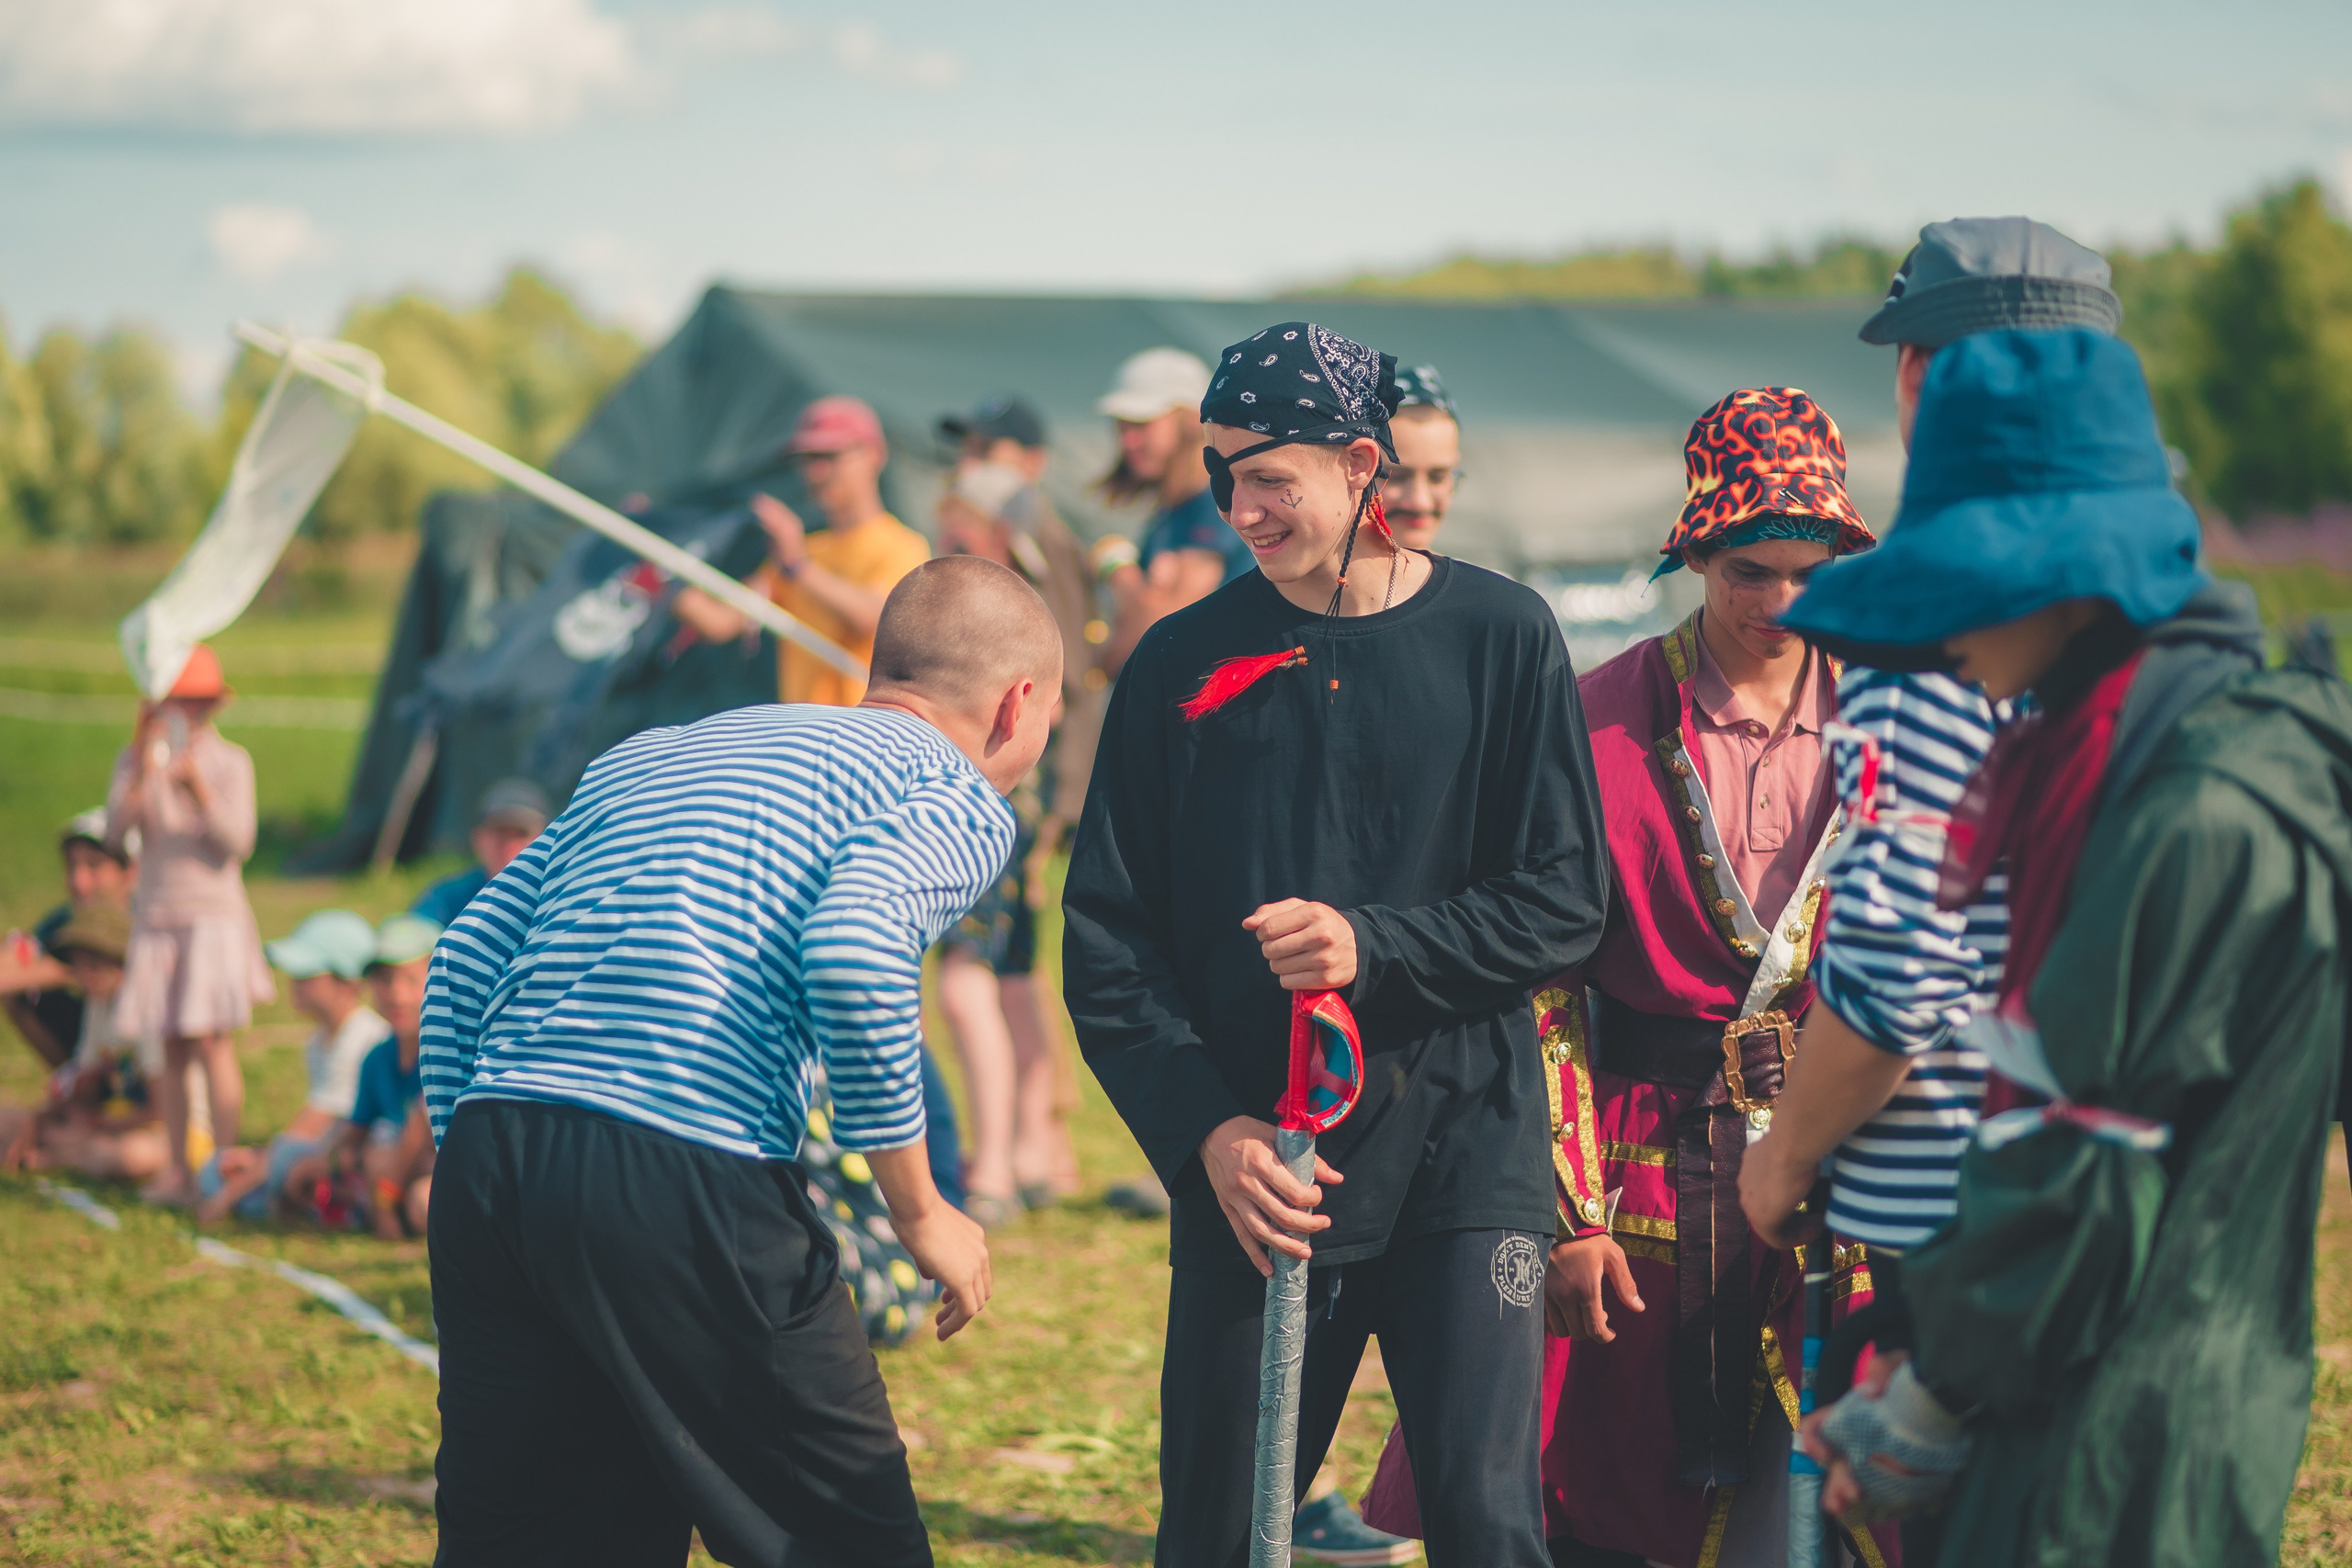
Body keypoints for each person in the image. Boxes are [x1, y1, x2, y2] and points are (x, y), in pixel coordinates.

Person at [1778, 327, 2352, 1568]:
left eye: (1964, 590)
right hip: (2097, 1378)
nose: (1949, 643)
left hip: (2122, 1428)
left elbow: (2081, 1167)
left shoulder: (2197, 808)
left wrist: (1924, 1396)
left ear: (2059, 577)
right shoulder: (2149, 754)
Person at [1063, 321, 1609, 1566]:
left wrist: (1376, 946)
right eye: (1220, 473)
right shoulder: (1180, 661)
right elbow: (1107, 938)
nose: (1236, 506)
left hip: (1468, 1155)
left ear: (1364, 462)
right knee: (1216, 1527)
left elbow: (1566, 898)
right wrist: (1210, 1128)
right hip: (1263, 1173)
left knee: (1488, 1522)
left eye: (1268, 475)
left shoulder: (1502, 636)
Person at [420, 556, 1060, 1566]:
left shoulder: (654, 750)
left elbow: (464, 953)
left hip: (495, 1151)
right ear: (1018, 705)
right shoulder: (953, 787)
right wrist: (921, 1210)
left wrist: (479, 1162)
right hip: (685, 1163)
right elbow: (855, 949)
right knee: (848, 1541)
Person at [1439, 389, 1890, 1568]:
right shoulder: (1589, 725)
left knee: (1850, 1493)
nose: (1781, 603)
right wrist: (1566, 1215)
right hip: (1638, 1169)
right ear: (1694, 551)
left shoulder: (1899, 722)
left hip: (1845, 1159)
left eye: (1811, 569)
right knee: (1621, 1493)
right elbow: (1537, 983)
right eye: (1749, 570)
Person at [1734, 217, 2126, 1565]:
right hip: (2119, 1197)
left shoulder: (1929, 617)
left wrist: (1782, 1157)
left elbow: (1899, 972)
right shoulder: (2158, 605)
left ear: (1922, 381)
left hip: (1952, 1220)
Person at [933, 456, 1087, 1222]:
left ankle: (991, 1166)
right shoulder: (1039, 582)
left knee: (966, 979)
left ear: (992, 525)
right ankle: (1036, 1152)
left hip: (998, 793)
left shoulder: (1002, 595)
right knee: (1016, 977)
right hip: (1028, 801)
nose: (942, 524)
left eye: (955, 513)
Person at [105, 644, 273, 1203]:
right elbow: (113, 835)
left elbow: (238, 842)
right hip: (158, 914)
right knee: (171, 1043)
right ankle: (178, 1167)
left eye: (197, 703)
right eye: (178, 701)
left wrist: (197, 790)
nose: (187, 713)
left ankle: (219, 1167)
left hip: (210, 918)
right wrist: (141, 765)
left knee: (210, 1041)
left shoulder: (230, 763)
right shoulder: (138, 762)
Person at [670, 394, 932, 708]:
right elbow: (721, 621)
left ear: (874, 455)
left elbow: (879, 619)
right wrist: (661, 575)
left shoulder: (903, 546)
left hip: (866, 739)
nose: (816, 472)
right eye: (807, 459)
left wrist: (799, 567)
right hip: (802, 736)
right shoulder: (803, 551)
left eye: (829, 456)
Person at [197, 909, 388, 1225]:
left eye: (307, 977)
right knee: (215, 1167)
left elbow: (311, 1127)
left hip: (355, 1160)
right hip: (323, 1151)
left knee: (282, 1158)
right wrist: (257, 1161)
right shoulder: (318, 1041)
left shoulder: (361, 1037)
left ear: (348, 984)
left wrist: (230, 1194)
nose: (295, 986)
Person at [1092, 347, 1253, 676]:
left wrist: (1118, 571)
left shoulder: (1215, 504)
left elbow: (1162, 631)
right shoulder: (1174, 511)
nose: (1128, 441)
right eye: (1122, 427)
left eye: (1142, 424)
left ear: (1190, 420)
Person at [0, 902, 170, 1184]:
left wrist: (99, 1125)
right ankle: (66, 1150)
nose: (83, 976)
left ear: (123, 965)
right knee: (9, 1119)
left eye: (94, 966)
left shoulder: (145, 1015)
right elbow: (86, 1082)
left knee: (130, 1156)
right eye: (78, 966)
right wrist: (41, 1117)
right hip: (110, 1120)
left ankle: (61, 1156)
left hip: (162, 1129)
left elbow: (160, 1109)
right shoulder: (98, 1005)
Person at [2, 808, 135, 1070]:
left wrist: (62, 970)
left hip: (140, 1051)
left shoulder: (145, 923)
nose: (79, 880)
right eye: (72, 866)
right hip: (95, 1036)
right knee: (18, 996)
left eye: (94, 866)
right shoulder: (65, 919)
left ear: (129, 871)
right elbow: (25, 952)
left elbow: (59, 968)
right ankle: (73, 1080)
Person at [411, 780, 552, 927]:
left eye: (521, 834)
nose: (510, 844)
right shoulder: (448, 898)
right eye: (501, 833)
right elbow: (414, 935)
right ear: (478, 838)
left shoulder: (557, 896)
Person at [1380, 365, 1462, 553]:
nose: (1420, 502)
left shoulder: (1484, 582)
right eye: (1396, 477)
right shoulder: (1308, 580)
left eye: (1437, 477)